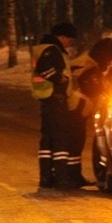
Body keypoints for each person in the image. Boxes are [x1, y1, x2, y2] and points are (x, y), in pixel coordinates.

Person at [31, 22, 82, 190]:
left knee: (47, 141)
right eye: (69, 40)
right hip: (55, 98)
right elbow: (44, 69)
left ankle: (46, 177)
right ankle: (61, 178)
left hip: (47, 98)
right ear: (62, 37)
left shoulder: (45, 48)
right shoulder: (52, 50)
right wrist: (61, 79)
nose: (70, 43)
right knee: (60, 139)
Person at [68, 37, 112, 187]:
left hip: (75, 110)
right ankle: (70, 177)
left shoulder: (90, 64)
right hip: (73, 110)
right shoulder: (87, 65)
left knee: (76, 143)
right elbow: (96, 88)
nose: (110, 63)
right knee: (74, 143)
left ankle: (72, 176)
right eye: (110, 59)